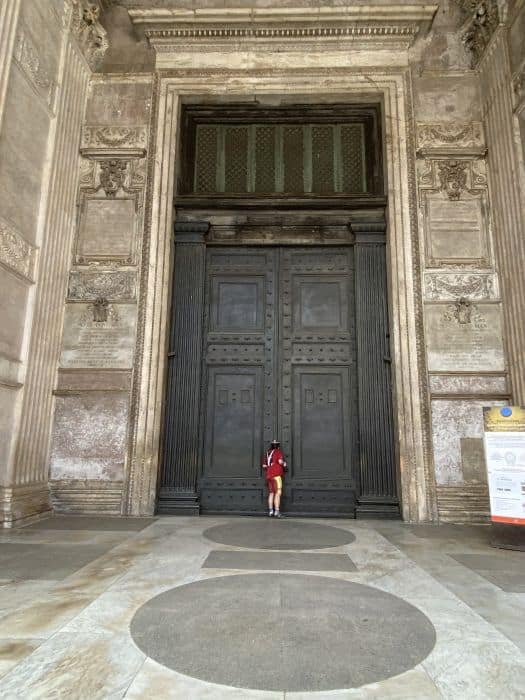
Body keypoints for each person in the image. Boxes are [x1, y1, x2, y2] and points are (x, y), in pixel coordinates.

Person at [262, 439, 287, 517]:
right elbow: (280, 461)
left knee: (271, 493)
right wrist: (284, 464)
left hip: (269, 475)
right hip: (276, 476)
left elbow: (264, 466)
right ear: (278, 446)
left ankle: (270, 511)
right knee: (278, 493)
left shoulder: (267, 453)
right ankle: (277, 511)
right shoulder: (278, 452)